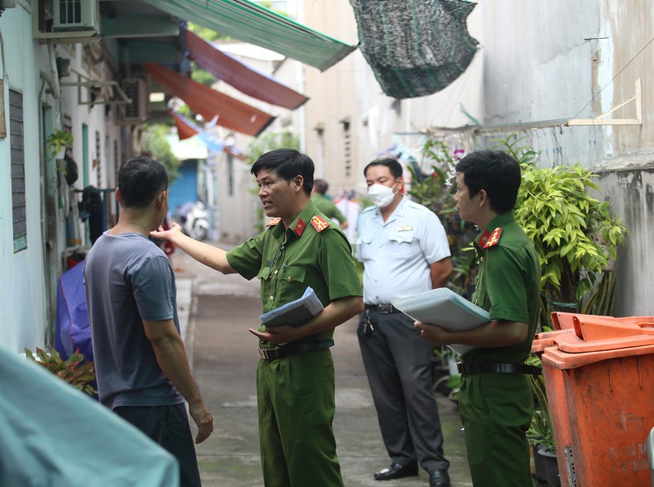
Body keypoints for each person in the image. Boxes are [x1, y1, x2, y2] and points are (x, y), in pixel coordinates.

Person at [151, 148, 364, 487]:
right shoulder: (274, 237)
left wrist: (298, 333)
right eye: (259, 184)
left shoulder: (325, 237)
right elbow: (224, 263)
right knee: (275, 464)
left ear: (297, 182)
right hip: (270, 367)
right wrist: (177, 236)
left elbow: (351, 302)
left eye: (268, 183)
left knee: (311, 464)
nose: (262, 192)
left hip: (305, 366)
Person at [83, 156, 213, 487]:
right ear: (162, 199)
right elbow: (164, 340)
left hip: (115, 402)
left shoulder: (99, 248)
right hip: (153, 407)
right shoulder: (147, 258)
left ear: (117, 195)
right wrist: (196, 405)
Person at [414, 150, 541, 486]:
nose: (454, 197)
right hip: (492, 388)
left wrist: (448, 336)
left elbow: (514, 330)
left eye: (458, 188)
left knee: (500, 479)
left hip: (494, 391)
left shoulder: (503, 249)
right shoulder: (502, 240)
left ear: (481, 197)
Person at [354, 158, 453, 487]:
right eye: (369, 182)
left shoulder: (421, 218)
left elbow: (442, 268)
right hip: (371, 319)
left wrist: (422, 306)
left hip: (408, 319)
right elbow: (363, 267)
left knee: (417, 392)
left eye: (381, 179)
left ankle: (435, 465)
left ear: (399, 183)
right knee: (385, 395)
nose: (375, 187)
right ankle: (402, 459)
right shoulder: (365, 219)